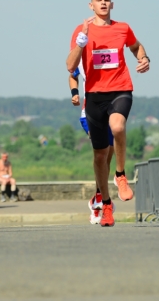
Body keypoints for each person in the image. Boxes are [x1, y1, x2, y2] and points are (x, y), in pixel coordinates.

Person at [66, 0, 150, 227]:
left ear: (112, 5)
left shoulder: (122, 28)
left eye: (106, 0)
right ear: (90, 6)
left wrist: (144, 59)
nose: (103, 3)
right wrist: (81, 43)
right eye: (98, 0)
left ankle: (121, 175)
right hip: (93, 96)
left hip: (120, 89)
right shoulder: (81, 31)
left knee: (118, 125)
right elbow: (70, 66)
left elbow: (136, 46)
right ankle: (106, 206)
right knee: (100, 155)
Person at [70, 67, 114, 224]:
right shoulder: (83, 59)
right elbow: (72, 75)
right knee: (100, 152)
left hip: (110, 114)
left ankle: (97, 197)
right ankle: (99, 201)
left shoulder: (111, 55)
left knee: (107, 158)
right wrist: (75, 93)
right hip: (89, 115)